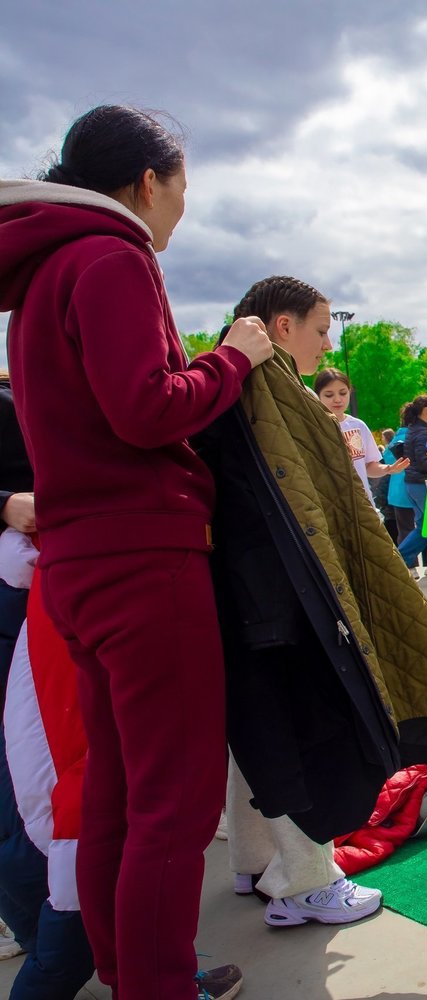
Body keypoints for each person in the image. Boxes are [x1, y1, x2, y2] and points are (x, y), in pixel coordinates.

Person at [0, 105, 272, 1000]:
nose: (182, 206)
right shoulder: (113, 257)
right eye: (183, 185)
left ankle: (131, 972)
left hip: (81, 566)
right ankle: (160, 984)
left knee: (118, 796)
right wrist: (231, 360)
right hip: (143, 562)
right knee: (174, 801)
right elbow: (146, 408)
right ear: (148, 183)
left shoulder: (43, 275)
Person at [221, 278, 385, 931]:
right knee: (304, 730)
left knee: (256, 728)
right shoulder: (268, 390)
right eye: (321, 328)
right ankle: (306, 880)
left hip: (246, 593)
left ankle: (254, 857)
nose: (329, 341)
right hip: (279, 597)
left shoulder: (226, 383)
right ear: (281, 327)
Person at [0, 372, 95, 997]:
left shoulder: (22, 385)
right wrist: (4, 504)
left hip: (44, 591)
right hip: (20, 608)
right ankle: (62, 952)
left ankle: (53, 939)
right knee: (42, 786)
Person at [315, 368, 409, 508]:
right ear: (317, 396)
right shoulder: (314, 427)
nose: (337, 399)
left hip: (363, 504)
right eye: (329, 395)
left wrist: (388, 469)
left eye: (343, 393)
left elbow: (369, 466)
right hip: (330, 507)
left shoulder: (358, 426)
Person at [394, 396, 427, 583]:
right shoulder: (423, 433)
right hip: (422, 484)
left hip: (412, 484)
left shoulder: (413, 430)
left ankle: (397, 559)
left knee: (425, 527)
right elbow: (424, 462)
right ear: (426, 410)